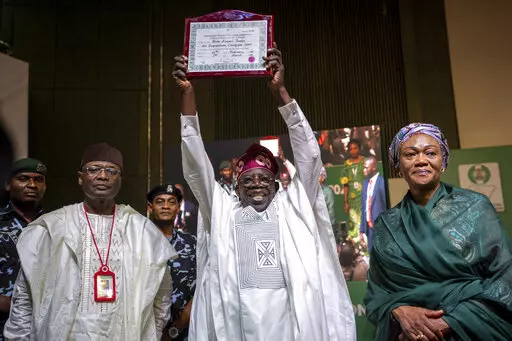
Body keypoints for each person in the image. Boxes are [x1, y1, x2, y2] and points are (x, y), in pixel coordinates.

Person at [173, 45, 355, 341]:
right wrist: (187, 94)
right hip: (234, 327)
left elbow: (309, 156)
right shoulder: (223, 210)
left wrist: (281, 93)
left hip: (290, 325)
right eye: (248, 180)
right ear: (235, 185)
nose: (256, 183)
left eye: (264, 178)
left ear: (276, 183)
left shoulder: (292, 206)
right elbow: (195, 162)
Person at [4, 143, 177, 340]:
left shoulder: (142, 230)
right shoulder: (52, 227)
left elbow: (161, 295)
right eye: (93, 169)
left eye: (111, 171)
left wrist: (148, 335)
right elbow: (25, 298)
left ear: (120, 179)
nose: (103, 176)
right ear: (80, 178)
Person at [364, 123, 512, 341]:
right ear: (398, 166)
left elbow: (505, 277)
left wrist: (448, 322)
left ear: (442, 162)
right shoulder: (386, 224)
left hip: (472, 328)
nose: (421, 160)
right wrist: (399, 312)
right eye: (410, 154)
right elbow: (377, 293)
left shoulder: (475, 207)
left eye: (431, 153)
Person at [0, 158, 46, 340]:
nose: (32, 185)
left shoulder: (54, 225)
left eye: (38, 179)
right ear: (8, 184)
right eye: (23, 178)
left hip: (42, 328)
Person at [147, 184, 197, 341]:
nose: (166, 206)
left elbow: (202, 289)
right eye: (160, 202)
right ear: (150, 207)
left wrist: (176, 328)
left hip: (184, 331)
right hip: (144, 330)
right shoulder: (138, 243)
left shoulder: (191, 243)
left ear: (178, 208)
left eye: (171, 202)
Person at [359, 156, 386, 252]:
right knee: (372, 256)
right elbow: (364, 207)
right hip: (369, 228)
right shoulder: (365, 183)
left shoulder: (383, 183)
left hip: (381, 228)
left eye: (366, 167)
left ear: (374, 167)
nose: (363, 170)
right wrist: (362, 230)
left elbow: (387, 206)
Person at [341, 139, 365, 239]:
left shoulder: (364, 161)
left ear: (359, 149)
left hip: (363, 197)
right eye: (351, 149)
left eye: (355, 148)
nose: (353, 151)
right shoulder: (346, 164)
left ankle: (365, 246)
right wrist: (346, 201)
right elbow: (345, 185)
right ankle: (355, 247)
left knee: (363, 220)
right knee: (353, 221)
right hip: (352, 200)